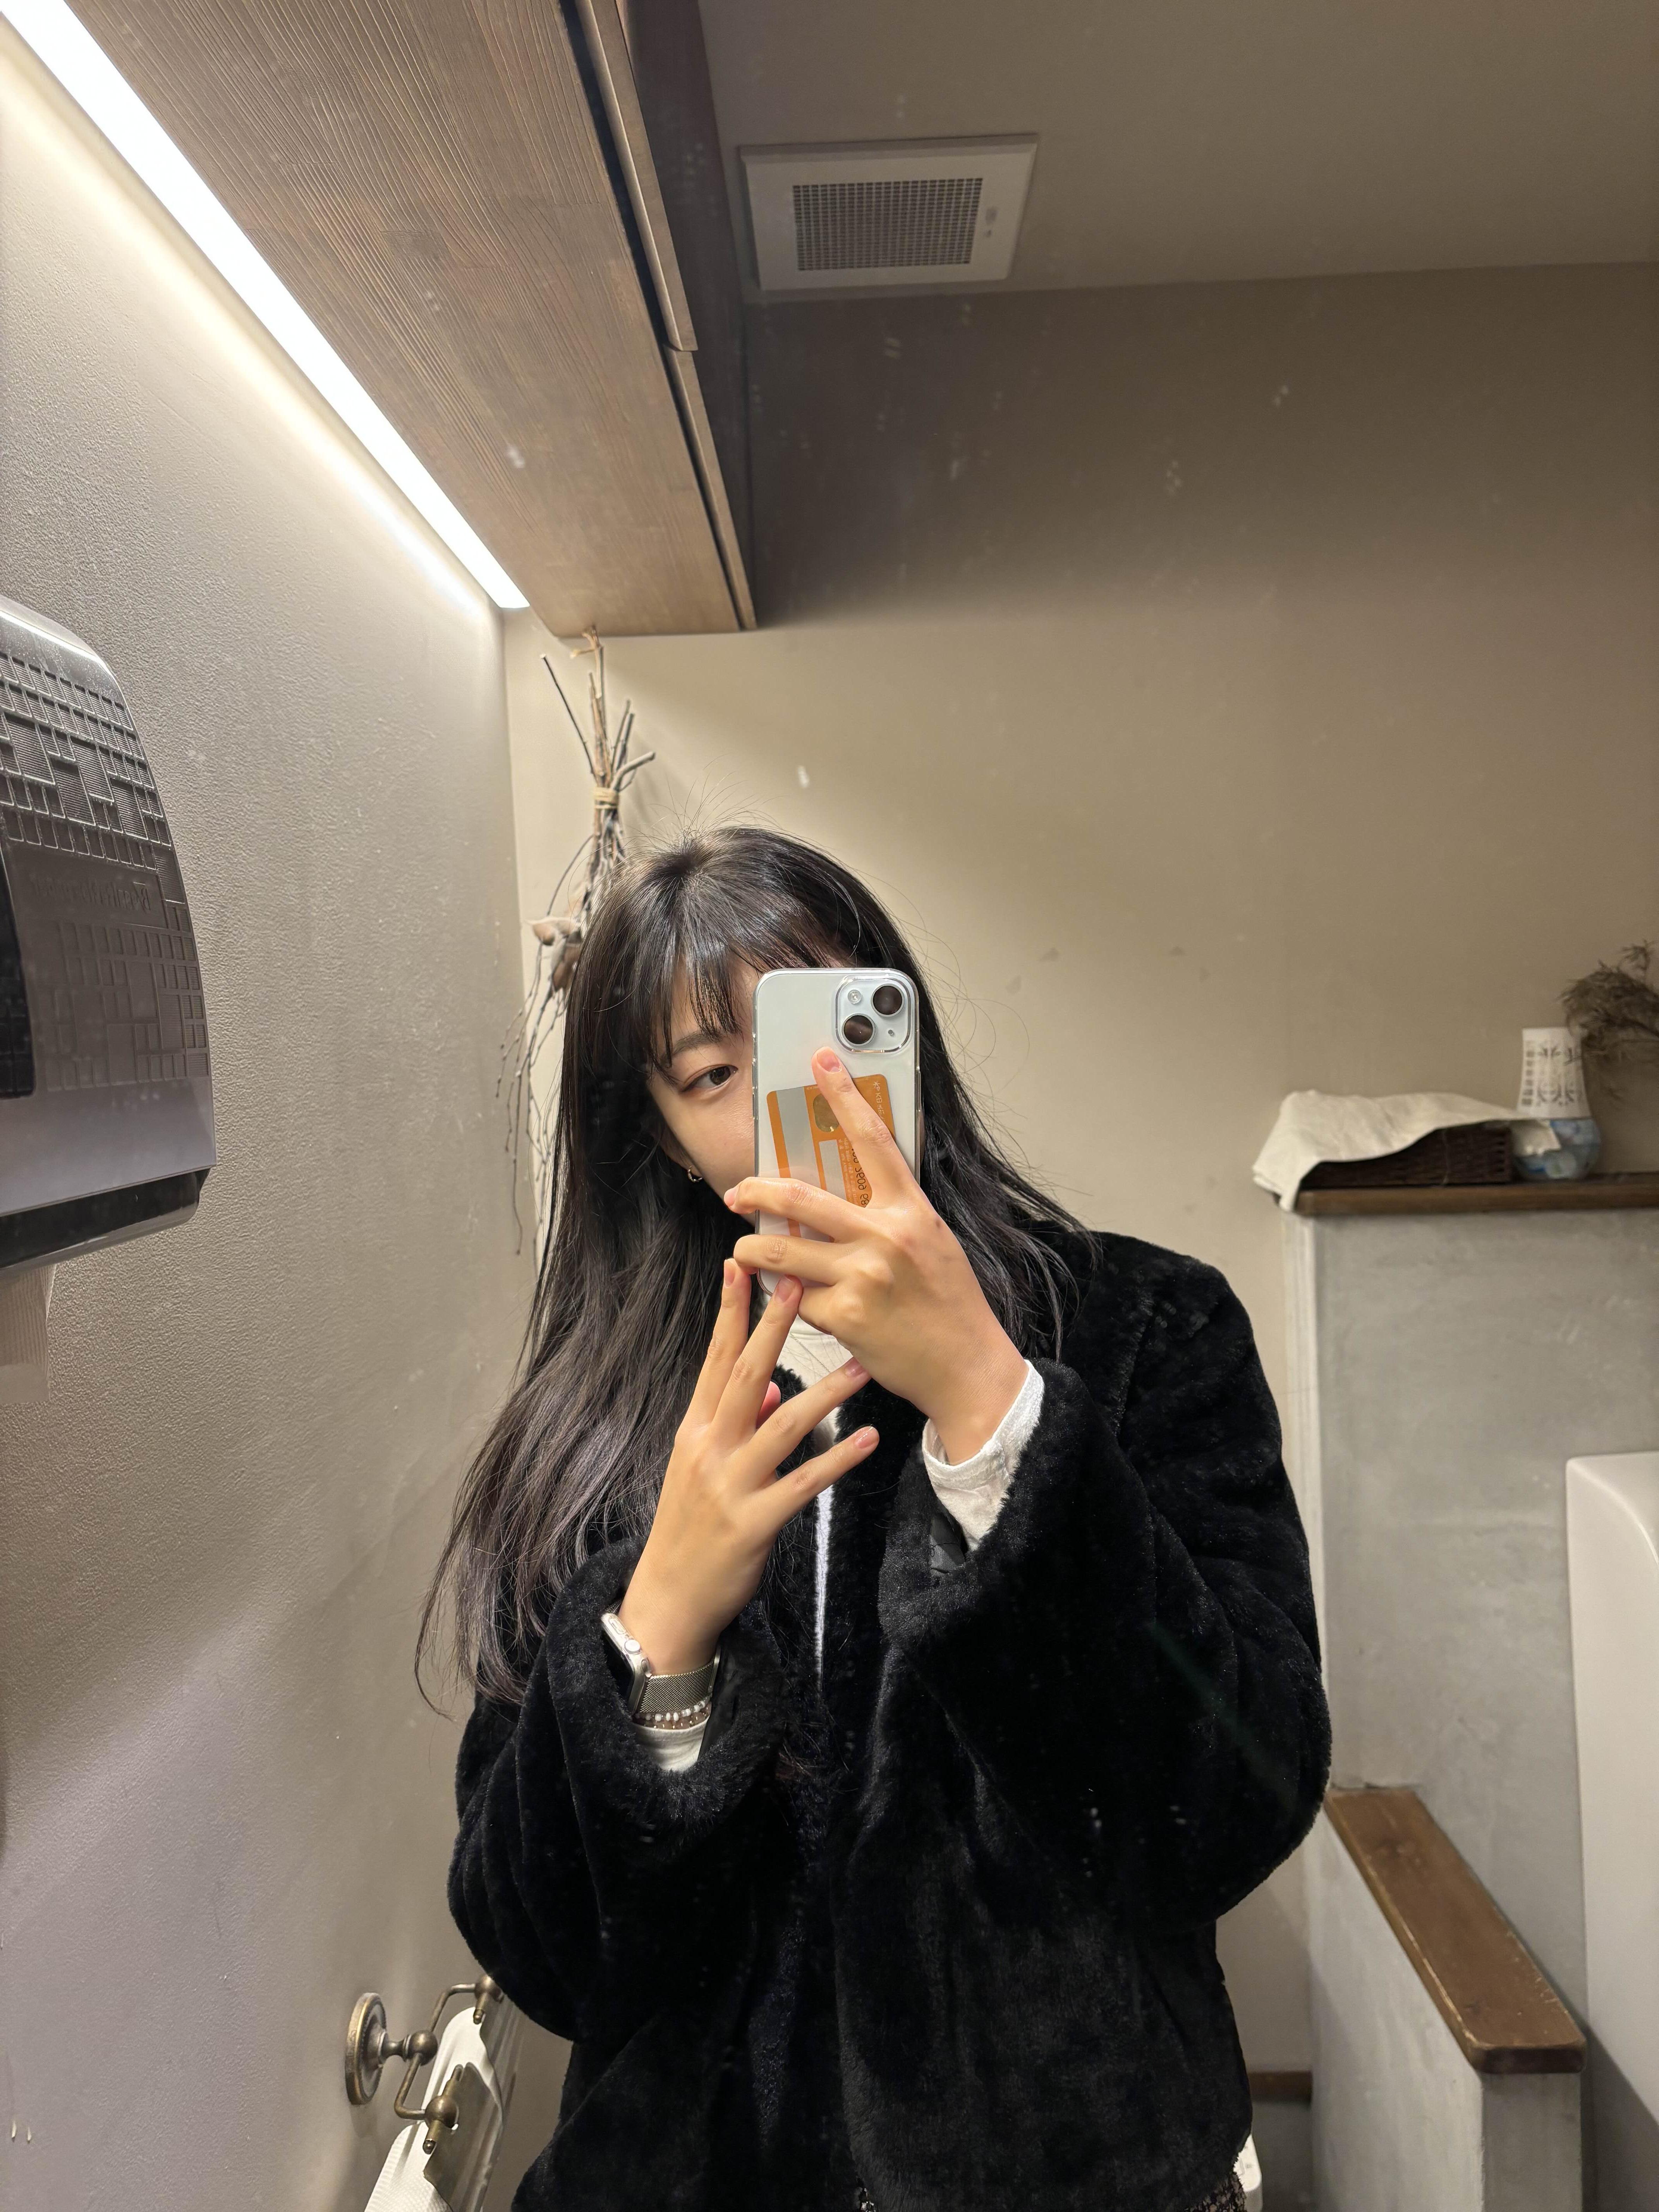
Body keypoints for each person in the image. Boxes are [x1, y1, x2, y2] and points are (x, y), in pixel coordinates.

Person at [424, 826, 1329, 2212]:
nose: (798, 1097)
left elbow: (1232, 1808)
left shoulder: (1148, 1329)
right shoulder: (589, 1426)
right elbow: (545, 1958)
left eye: (828, 1029)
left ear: (904, 1036)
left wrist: (990, 1405)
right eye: (712, 1075)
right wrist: (658, 1631)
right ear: (658, 1134)